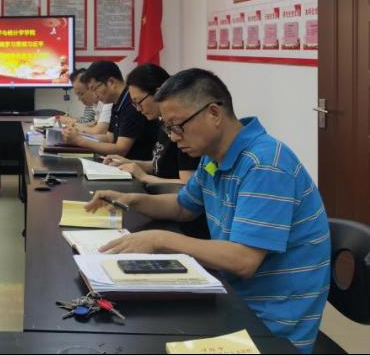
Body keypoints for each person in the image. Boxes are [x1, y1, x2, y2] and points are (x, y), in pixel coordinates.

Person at [85, 68, 330, 354]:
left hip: (269, 324)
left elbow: (243, 260)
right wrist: (130, 200)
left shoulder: (265, 164)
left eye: (177, 126)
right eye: (167, 127)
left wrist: (160, 239)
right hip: (231, 297)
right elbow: (183, 207)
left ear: (213, 113)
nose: (173, 137)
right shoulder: (214, 158)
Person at [103, 63, 199, 185]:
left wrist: (144, 177)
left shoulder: (182, 126)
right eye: (134, 104)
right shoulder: (161, 120)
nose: (138, 109)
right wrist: (130, 163)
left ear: (158, 93)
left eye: (139, 102)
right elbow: (161, 165)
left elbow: (187, 186)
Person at [62, 60, 157, 159]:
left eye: (95, 89)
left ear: (111, 82)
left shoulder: (131, 103)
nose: (95, 95)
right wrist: (79, 135)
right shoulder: (116, 103)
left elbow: (121, 149)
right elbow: (109, 138)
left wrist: (79, 140)